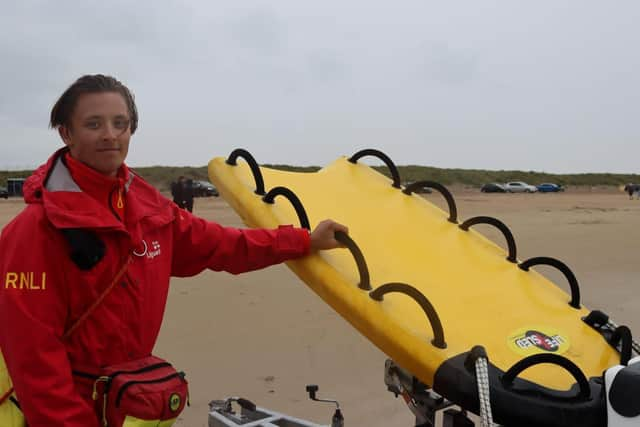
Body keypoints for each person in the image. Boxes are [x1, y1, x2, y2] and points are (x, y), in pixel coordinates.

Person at [0, 74, 347, 426]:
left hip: (126, 404)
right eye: (93, 124)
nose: (110, 134)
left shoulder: (151, 212)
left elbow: (225, 246)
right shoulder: (34, 231)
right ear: (66, 133)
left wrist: (303, 240)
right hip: (61, 413)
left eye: (120, 123)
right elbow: (35, 364)